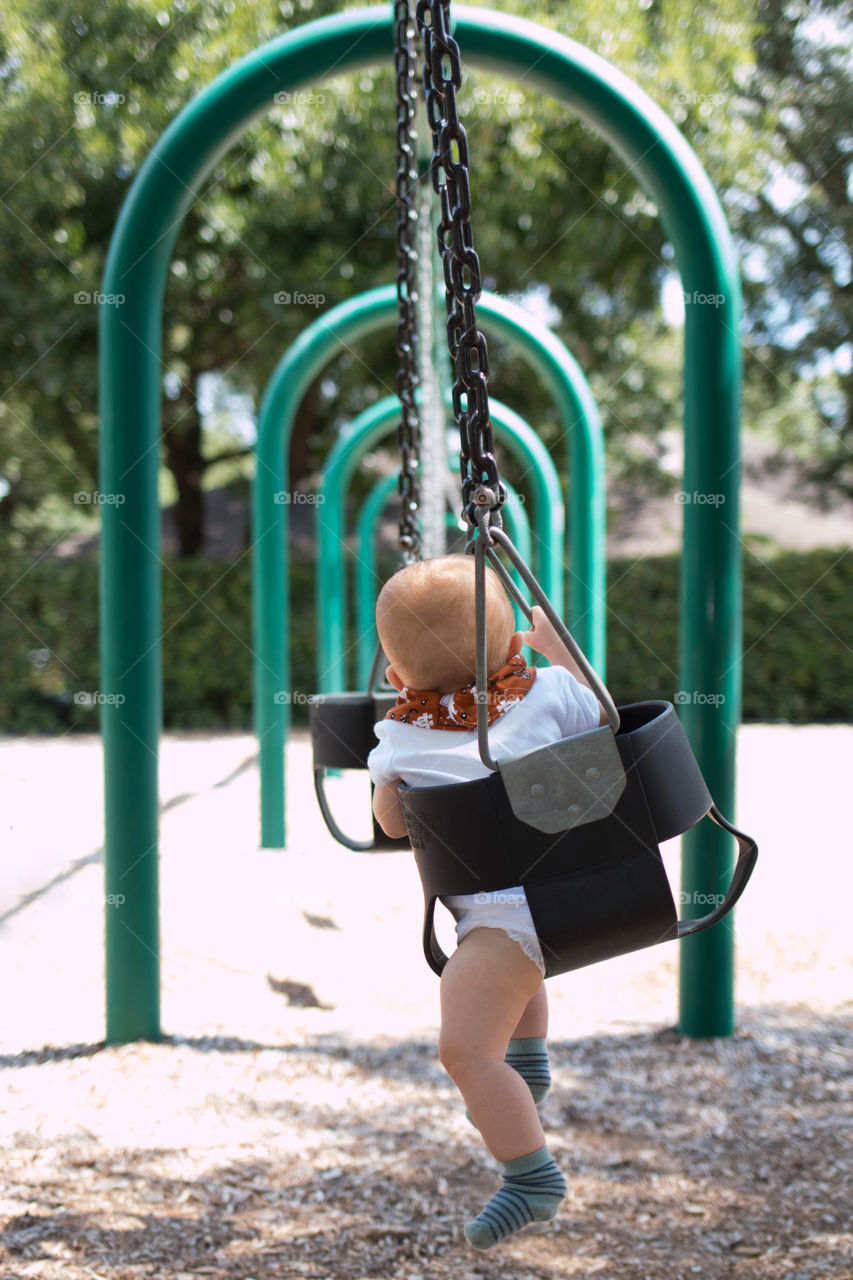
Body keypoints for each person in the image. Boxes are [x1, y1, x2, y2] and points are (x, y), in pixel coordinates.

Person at [367, 553, 606, 1250]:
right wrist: (561, 653)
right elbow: (604, 719)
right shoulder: (551, 691)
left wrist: (391, 779)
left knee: (464, 1051)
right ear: (510, 648)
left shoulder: (401, 737)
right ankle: (525, 1071)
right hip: (583, 890)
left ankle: (531, 1180)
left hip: (505, 920)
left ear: (396, 677)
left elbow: (391, 824)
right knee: (505, 983)